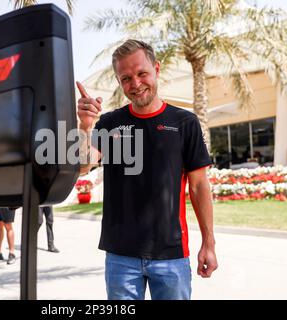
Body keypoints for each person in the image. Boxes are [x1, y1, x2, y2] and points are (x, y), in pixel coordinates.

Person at [76, 39, 218, 300]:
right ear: (120, 82)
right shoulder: (108, 123)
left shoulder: (184, 123)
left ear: (157, 68)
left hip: (171, 256)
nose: (136, 83)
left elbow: (199, 186)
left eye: (142, 73)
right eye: (126, 78)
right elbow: (84, 166)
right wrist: (86, 126)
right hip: (120, 257)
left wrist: (209, 243)